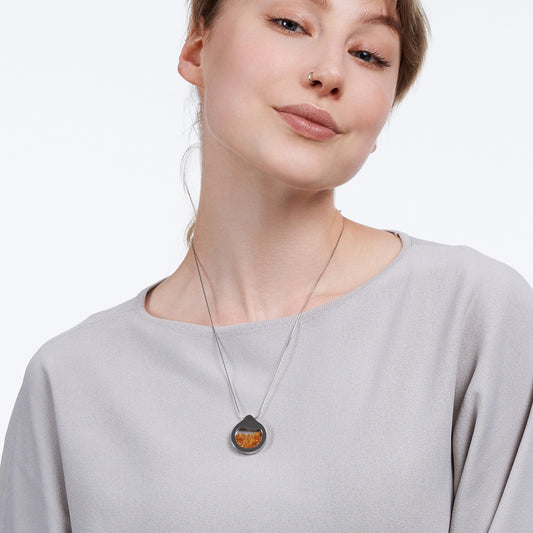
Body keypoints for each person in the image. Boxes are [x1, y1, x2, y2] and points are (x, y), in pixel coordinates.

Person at [1, 0, 532, 530]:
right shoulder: (69, 382)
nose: (329, 73)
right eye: (290, 23)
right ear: (197, 48)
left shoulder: (470, 318)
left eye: (368, 54)